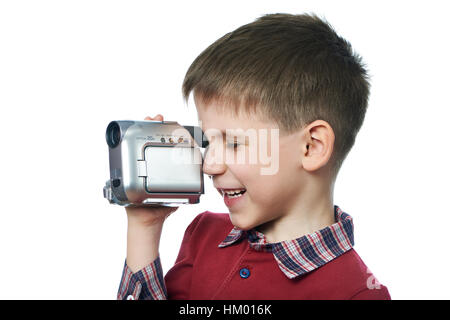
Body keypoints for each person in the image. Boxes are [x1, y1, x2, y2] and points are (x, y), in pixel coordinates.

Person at [117, 13, 391, 300]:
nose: (209, 165)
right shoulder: (205, 235)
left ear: (311, 147)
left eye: (234, 143)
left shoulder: (358, 294)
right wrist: (144, 228)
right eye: (208, 141)